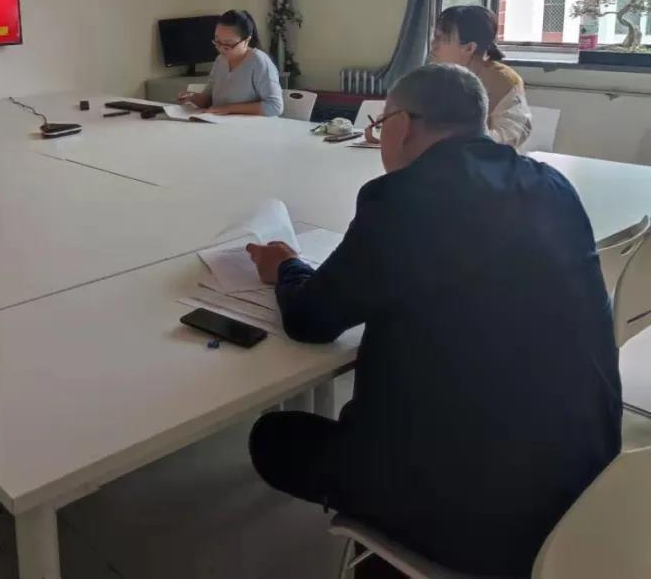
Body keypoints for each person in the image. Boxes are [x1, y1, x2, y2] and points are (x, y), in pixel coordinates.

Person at [245, 64, 620, 577]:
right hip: (589, 481)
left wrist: (286, 266)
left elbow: (311, 320)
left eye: (381, 125)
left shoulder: (402, 198)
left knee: (273, 439)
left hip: (483, 515)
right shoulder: (550, 185)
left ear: (401, 125)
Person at [429, 4, 532, 147]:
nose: (433, 45)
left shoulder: (503, 81)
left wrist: (466, 140)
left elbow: (511, 133)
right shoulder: (432, 76)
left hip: (483, 157)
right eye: (434, 38)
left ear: (469, 48)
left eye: (443, 39)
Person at [177, 9, 284, 117]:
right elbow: (209, 100)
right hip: (220, 123)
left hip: (251, 126)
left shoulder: (259, 61)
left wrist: (228, 109)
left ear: (247, 40)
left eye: (228, 44)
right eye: (217, 41)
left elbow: (275, 107)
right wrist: (193, 97)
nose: (221, 49)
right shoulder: (220, 61)